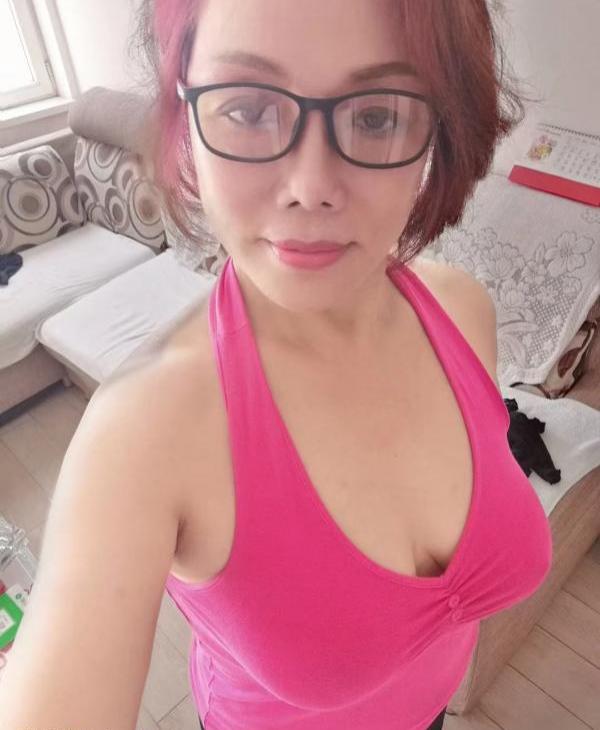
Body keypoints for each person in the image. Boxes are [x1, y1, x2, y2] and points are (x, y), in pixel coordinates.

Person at [0, 1, 554, 729]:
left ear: (438, 129)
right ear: (185, 123)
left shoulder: (463, 311)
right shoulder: (143, 432)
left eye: (377, 116)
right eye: (249, 109)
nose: (310, 185)